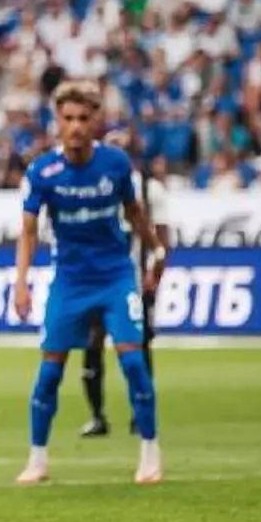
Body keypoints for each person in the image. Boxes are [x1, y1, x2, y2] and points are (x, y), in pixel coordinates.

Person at [13, 82, 166, 485]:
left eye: (84, 118)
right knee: (49, 375)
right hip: (69, 282)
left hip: (116, 277)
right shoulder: (41, 171)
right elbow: (28, 232)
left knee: (133, 361)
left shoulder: (116, 164)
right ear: (57, 122)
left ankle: (150, 453)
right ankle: (38, 459)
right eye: (68, 119)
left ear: (95, 122)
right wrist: (21, 283)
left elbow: (134, 213)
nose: (76, 126)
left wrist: (156, 250)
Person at [79, 130, 171, 437]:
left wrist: (154, 273)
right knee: (93, 342)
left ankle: (140, 413)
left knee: (137, 345)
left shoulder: (149, 189)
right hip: (97, 277)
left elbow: (162, 237)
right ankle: (97, 415)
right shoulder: (93, 187)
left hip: (134, 279)